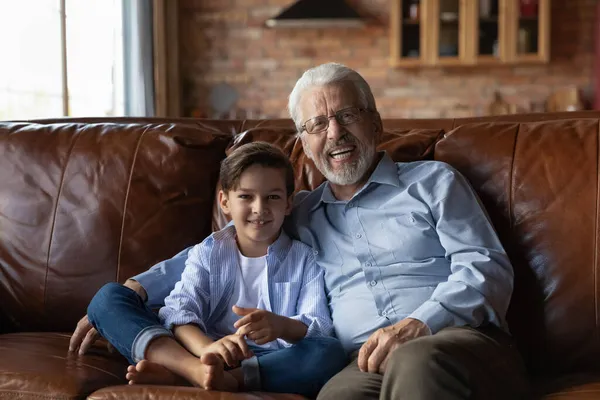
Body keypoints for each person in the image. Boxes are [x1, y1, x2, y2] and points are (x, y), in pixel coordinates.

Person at [71, 63, 530, 399]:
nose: (335, 133)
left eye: (347, 115)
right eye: (317, 124)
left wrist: (418, 324)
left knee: (414, 359)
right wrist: (133, 288)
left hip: (457, 341)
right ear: (303, 142)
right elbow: (219, 247)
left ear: (375, 121)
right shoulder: (299, 211)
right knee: (336, 396)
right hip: (361, 362)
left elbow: (486, 268)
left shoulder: (433, 181)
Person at [83, 142, 347, 396]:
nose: (260, 209)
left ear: (288, 204)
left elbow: (320, 327)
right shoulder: (208, 251)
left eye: (272, 197)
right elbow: (178, 311)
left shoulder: (305, 259)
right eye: (245, 196)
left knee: (330, 351)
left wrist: (282, 326)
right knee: (107, 298)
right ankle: (194, 371)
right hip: (199, 350)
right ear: (225, 202)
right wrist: (209, 350)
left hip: (272, 361)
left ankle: (219, 379)